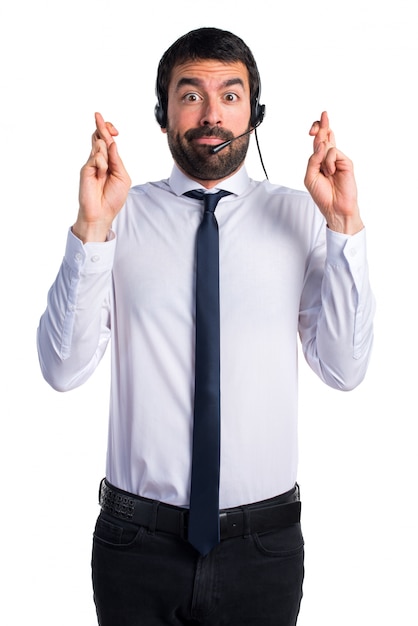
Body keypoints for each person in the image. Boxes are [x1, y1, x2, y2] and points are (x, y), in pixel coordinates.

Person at [37, 26, 375, 626]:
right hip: (134, 544)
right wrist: (90, 230)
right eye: (190, 95)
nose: (211, 114)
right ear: (163, 114)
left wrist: (344, 225)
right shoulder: (121, 214)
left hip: (264, 546)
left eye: (230, 95)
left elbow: (345, 369)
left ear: (255, 113)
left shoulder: (302, 215)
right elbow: (63, 369)